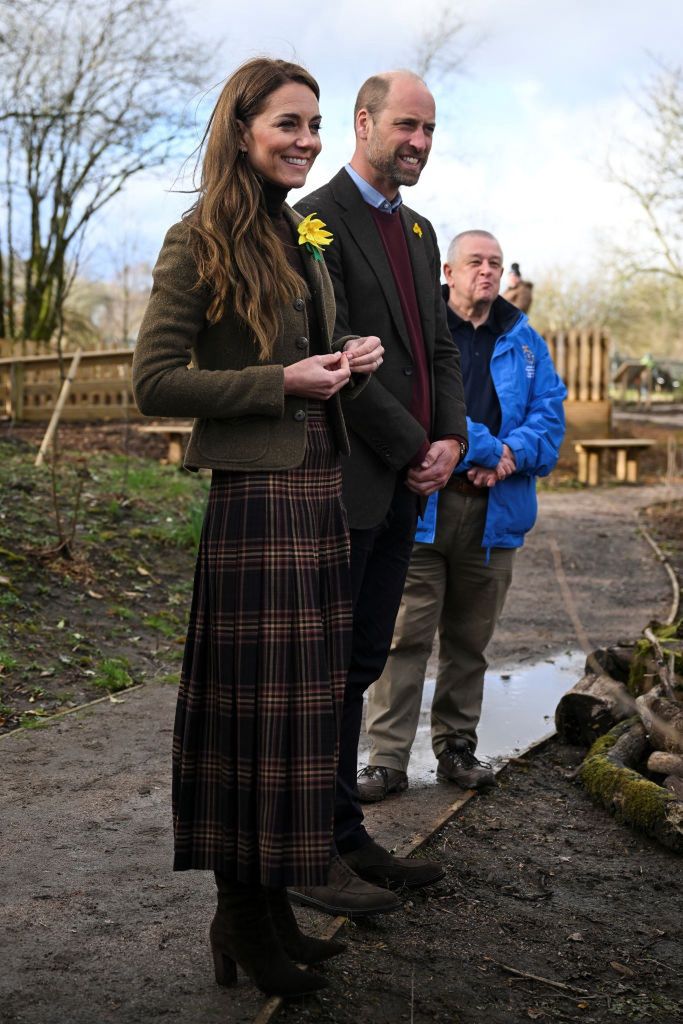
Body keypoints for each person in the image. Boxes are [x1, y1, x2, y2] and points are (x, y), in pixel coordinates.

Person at [132, 58, 384, 999]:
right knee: (253, 717)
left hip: (319, 490)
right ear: (242, 130)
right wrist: (277, 383)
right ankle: (239, 914)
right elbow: (153, 382)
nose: (308, 139)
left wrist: (347, 363)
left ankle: (266, 904)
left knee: (300, 714)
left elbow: (302, 360)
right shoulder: (196, 240)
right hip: (255, 503)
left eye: (315, 124)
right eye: (289, 123)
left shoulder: (299, 238)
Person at [288, 71, 468, 917]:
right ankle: (307, 846)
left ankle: (344, 831)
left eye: (429, 130)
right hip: (349, 481)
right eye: (406, 126)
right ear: (363, 123)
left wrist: (453, 439)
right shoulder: (312, 220)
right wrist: (410, 447)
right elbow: (330, 353)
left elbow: (438, 347)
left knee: (362, 662)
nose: (420, 143)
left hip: (408, 487)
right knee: (323, 669)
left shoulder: (424, 230)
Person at [358, 230, 566, 801]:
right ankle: (387, 760)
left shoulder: (525, 342)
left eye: (496, 263)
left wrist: (511, 455)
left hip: (495, 516)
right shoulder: (422, 335)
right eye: (475, 261)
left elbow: (551, 421)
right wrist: (485, 449)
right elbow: (414, 412)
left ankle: (455, 747)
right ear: (447, 271)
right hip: (424, 509)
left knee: (470, 642)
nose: (488, 272)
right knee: (404, 638)